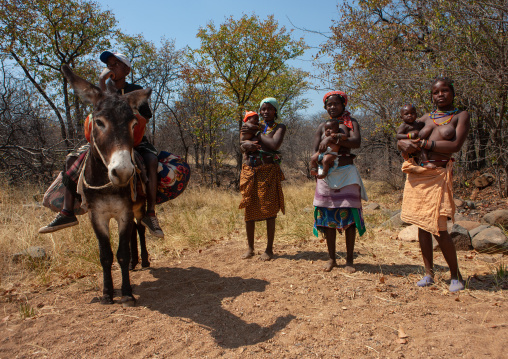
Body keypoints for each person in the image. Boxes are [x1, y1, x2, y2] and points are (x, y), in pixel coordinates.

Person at [39, 51, 164, 238]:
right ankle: (67, 212)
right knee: (72, 159)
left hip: (132, 140)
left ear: (127, 69)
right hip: (106, 143)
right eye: (109, 64)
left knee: (152, 160)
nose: (111, 67)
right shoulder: (102, 91)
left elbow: (145, 117)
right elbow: (99, 112)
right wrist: (101, 83)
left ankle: (151, 214)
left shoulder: (135, 89)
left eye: (116, 64)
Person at [398, 77, 470, 292]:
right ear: (431, 96)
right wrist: (403, 143)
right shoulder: (424, 118)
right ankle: (429, 273)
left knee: (440, 228)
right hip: (419, 175)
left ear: (452, 93)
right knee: (421, 225)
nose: (440, 95)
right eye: (435, 92)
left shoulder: (460, 116)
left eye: (445, 90)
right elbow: (404, 136)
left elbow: (455, 145)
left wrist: (426, 143)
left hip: (439, 175)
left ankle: (455, 275)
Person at [312, 91, 368, 273]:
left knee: (350, 217)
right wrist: (317, 166)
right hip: (326, 175)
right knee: (328, 216)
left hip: (347, 173)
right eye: (329, 105)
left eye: (336, 104)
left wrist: (333, 138)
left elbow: (356, 142)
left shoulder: (351, 124)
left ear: (343, 105)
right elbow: (314, 151)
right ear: (325, 107)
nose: (333, 107)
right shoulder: (322, 126)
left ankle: (350, 260)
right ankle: (331, 258)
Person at [239, 98, 286, 261]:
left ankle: (269, 249)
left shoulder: (279, 127)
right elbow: (242, 141)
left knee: (269, 209)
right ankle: (250, 248)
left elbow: (274, 144)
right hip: (250, 170)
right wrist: (245, 146)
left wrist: (257, 132)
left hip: (268, 171)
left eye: (269, 109)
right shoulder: (251, 124)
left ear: (275, 111)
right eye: (263, 109)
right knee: (248, 208)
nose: (265, 112)